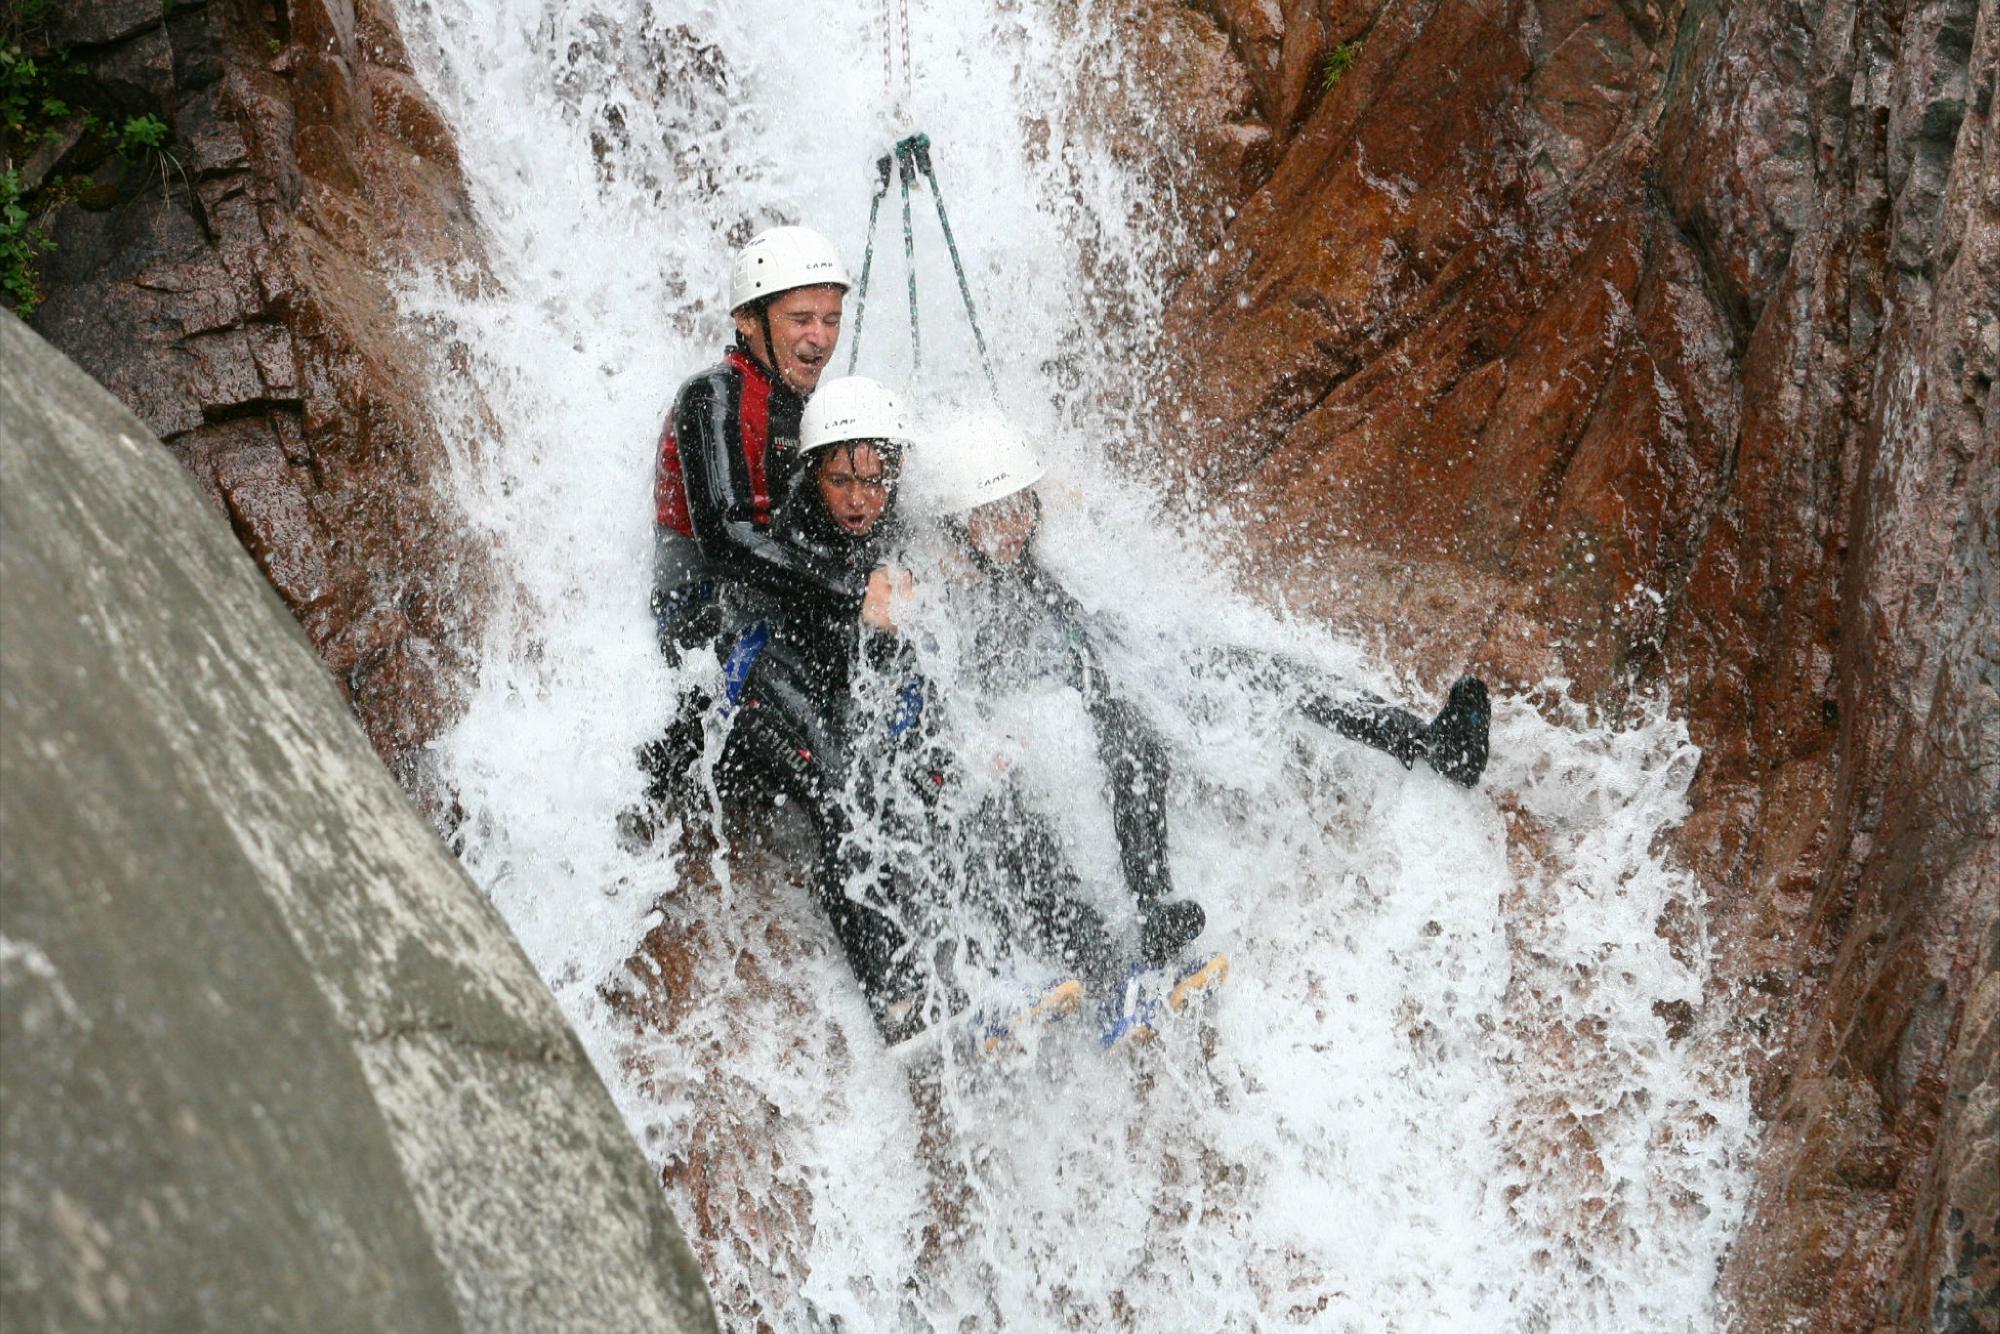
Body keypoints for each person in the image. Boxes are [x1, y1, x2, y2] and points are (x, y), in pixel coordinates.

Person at [899, 418, 1217, 1018]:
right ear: (957, 525)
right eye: (990, 518)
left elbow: (1087, 629)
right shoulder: (943, 580)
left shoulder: (1038, 560)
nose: (1011, 530)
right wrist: (986, 739)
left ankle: (1155, 911)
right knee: (1009, 800)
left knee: (1135, 742)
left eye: (1020, 510)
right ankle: (1100, 970)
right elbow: (943, 687)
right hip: (996, 732)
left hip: (1054, 705)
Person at [636, 225, 902, 817]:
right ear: (749, 320)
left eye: (831, 320)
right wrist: (853, 590)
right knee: (845, 799)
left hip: (779, 615)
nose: (820, 338)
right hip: (712, 625)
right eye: (801, 319)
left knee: (906, 749)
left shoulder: (805, 407)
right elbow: (728, 540)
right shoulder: (713, 396)